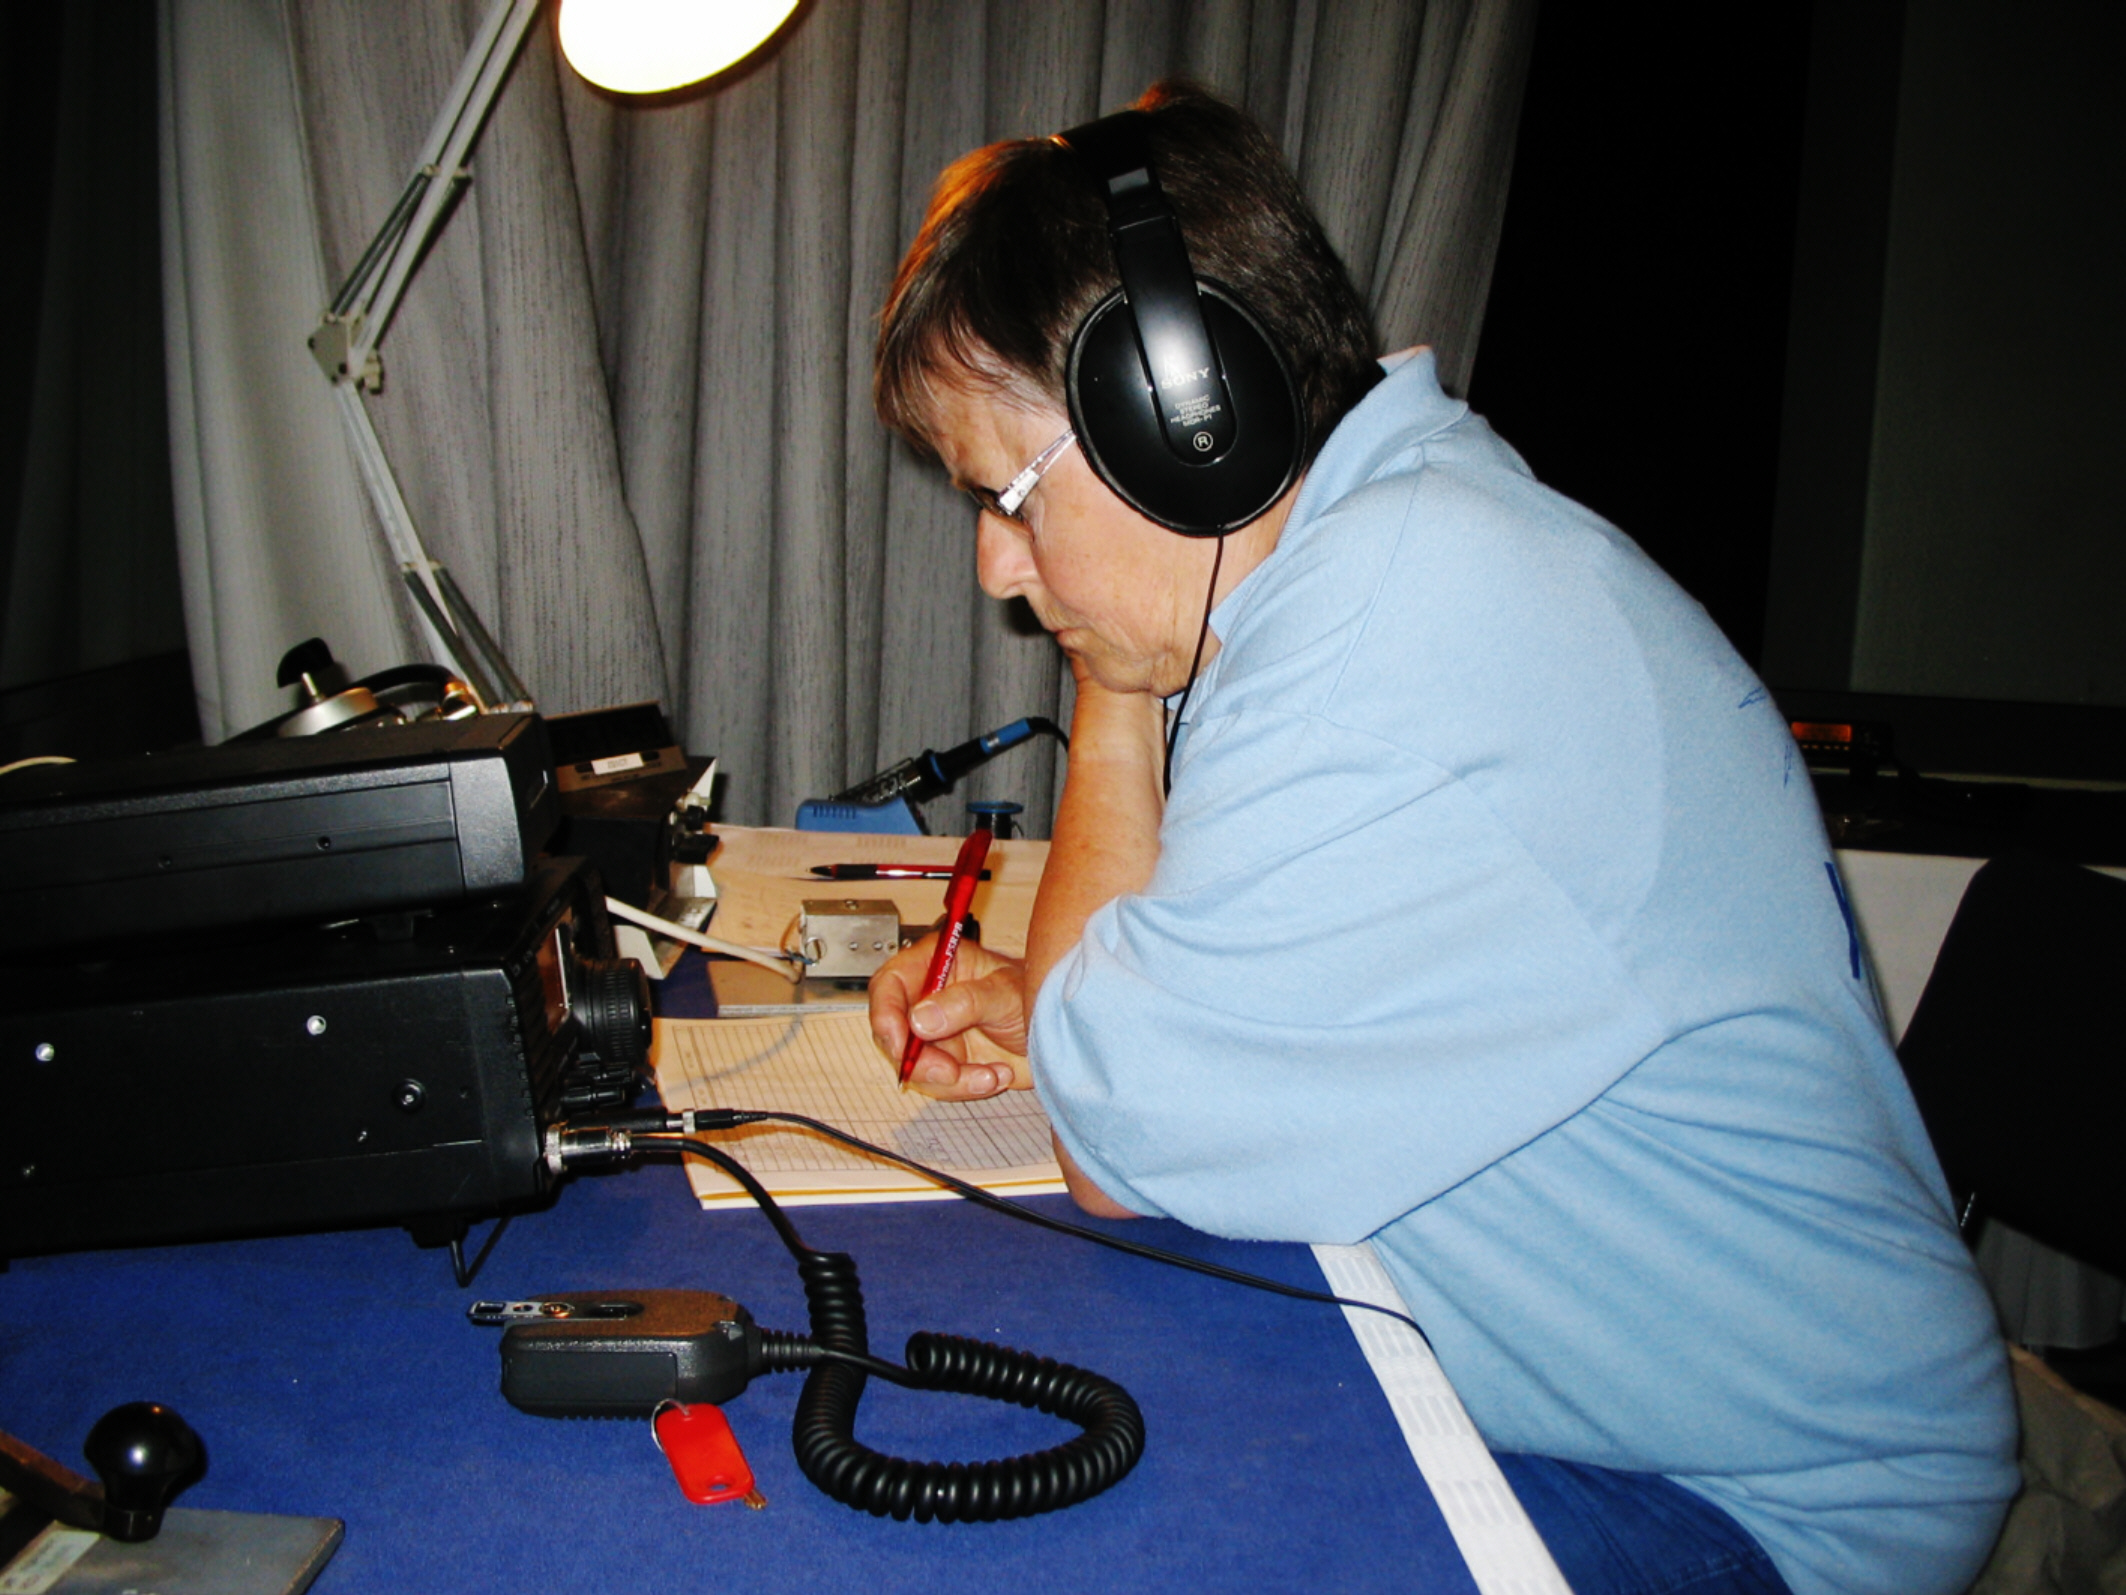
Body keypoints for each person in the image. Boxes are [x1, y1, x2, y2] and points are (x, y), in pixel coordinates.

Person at [866, 81, 2017, 1595]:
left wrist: (1108, 689)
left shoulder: (1385, 638)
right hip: (1636, 1412)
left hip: (1771, 1498)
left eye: (1007, 495)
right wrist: (1066, 996)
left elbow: (1113, 1144)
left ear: (1184, 420)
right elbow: (1161, 1032)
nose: (995, 568)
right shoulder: (1389, 547)